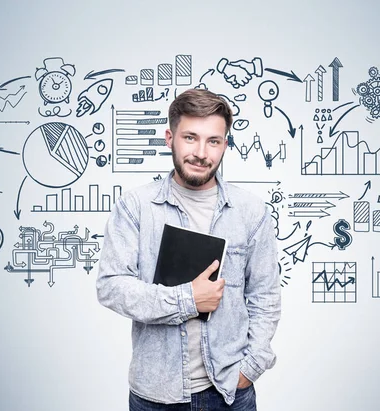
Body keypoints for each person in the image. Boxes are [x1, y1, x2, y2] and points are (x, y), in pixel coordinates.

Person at [96, 88, 281, 410]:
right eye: (190, 138)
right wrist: (188, 299)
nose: (201, 152)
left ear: (225, 144)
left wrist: (250, 369)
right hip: (155, 393)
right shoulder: (136, 207)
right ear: (170, 138)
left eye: (213, 141)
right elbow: (111, 287)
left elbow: (265, 296)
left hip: (229, 393)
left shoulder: (251, 212)